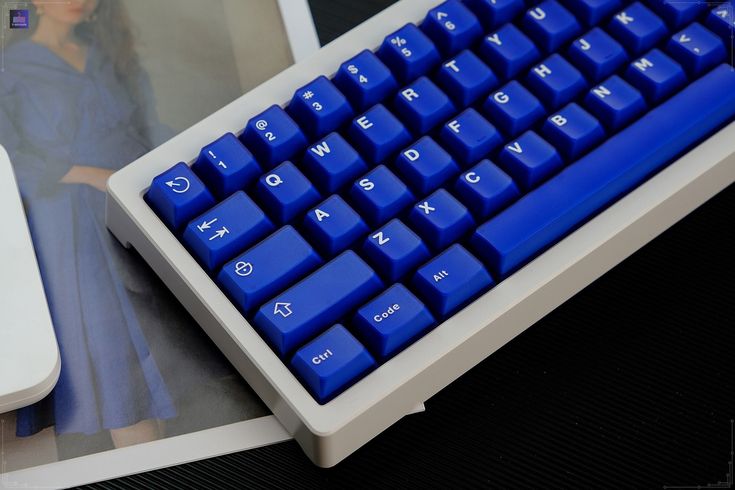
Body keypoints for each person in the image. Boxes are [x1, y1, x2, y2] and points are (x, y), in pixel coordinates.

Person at [0, 0, 177, 448]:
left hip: (139, 205)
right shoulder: (10, 67)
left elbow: (147, 126)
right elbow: (11, 159)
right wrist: (90, 175)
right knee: (119, 367)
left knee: (165, 353)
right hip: (72, 226)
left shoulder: (108, 55)